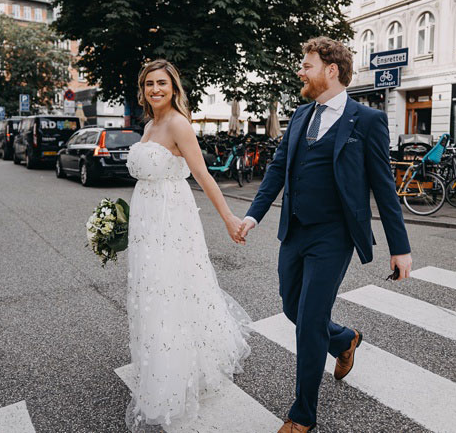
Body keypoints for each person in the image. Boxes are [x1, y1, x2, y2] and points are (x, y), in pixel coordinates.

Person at [236, 37, 412, 433]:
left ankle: (302, 415)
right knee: (291, 308)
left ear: (331, 70)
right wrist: (253, 216)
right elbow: (277, 171)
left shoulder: (366, 120)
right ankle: (345, 339)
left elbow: (383, 186)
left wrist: (399, 248)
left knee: (311, 319)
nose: (301, 71)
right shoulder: (300, 115)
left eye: (307, 65)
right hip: (294, 231)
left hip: (334, 236)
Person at [123, 59, 252, 428]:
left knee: (169, 292)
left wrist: (229, 218)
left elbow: (203, 175)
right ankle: (160, 365)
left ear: (174, 88)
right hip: (147, 217)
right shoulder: (149, 124)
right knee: (152, 292)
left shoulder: (179, 124)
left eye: (162, 83)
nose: (155, 90)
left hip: (170, 218)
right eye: (149, 84)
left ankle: (172, 379)